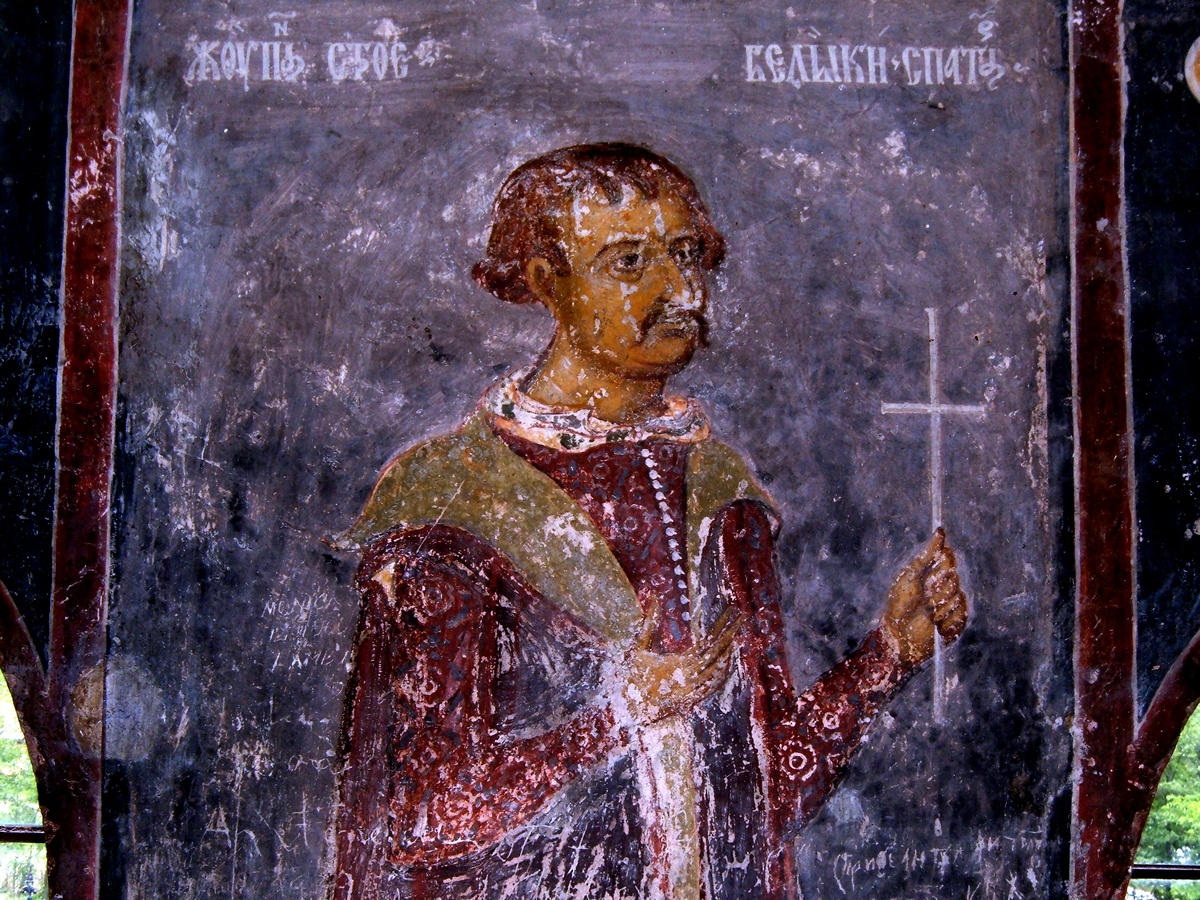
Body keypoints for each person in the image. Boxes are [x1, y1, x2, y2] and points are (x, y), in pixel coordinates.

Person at [328, 143, 968, 900]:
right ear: (549, 282)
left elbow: (763, 799)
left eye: (687, 255)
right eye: (630, 262)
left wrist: (888, 655)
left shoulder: (721, 496)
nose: (681, 290)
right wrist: (617, 717)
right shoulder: (453, 502)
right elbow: (425, 817)